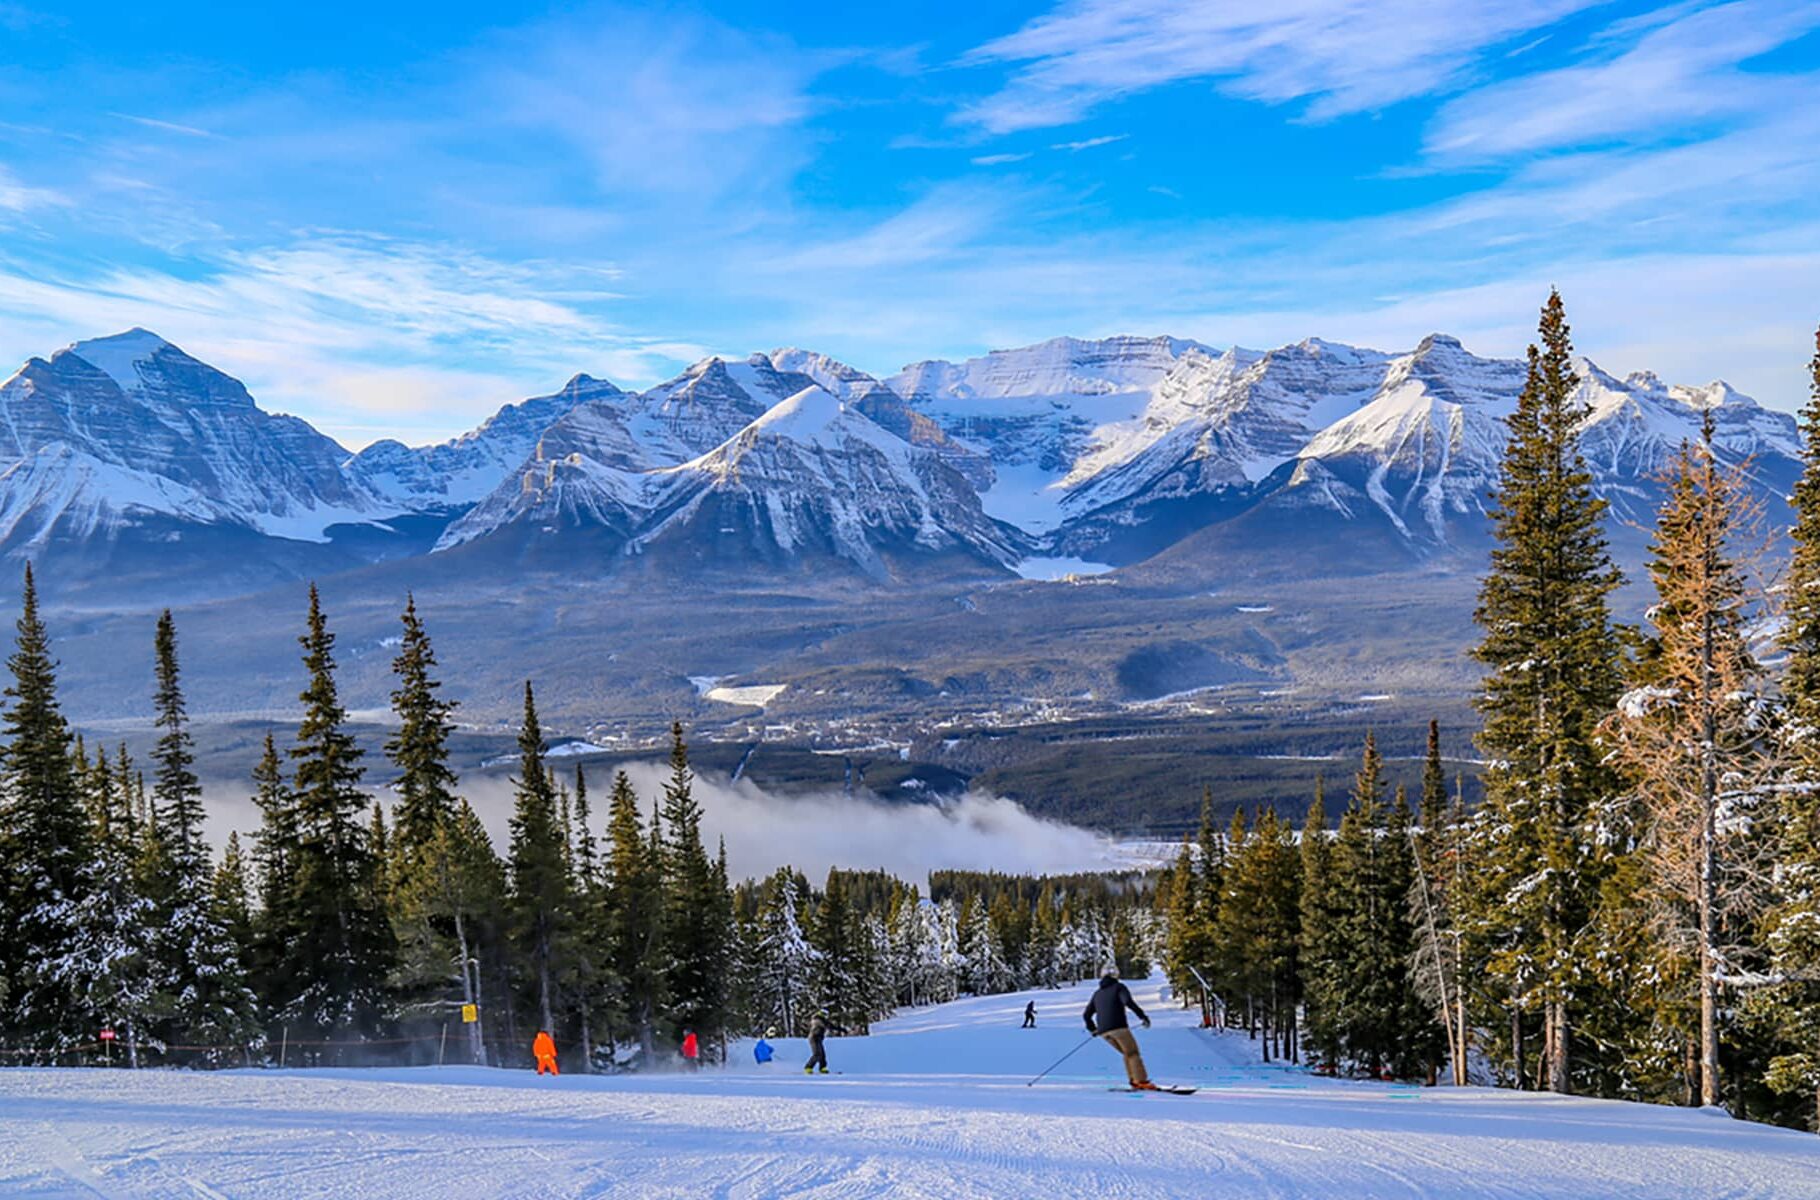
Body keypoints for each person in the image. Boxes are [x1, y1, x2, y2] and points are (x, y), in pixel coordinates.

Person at [1083, 974, 1154, 1090]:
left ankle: (1134, 1080)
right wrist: (1142, 1016)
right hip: (1118, 1028)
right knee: (1133, 1053)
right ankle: (1141, 1081)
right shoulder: (1119, 987)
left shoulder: (1097, 994)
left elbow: (1086, 1015)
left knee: (1127, 1053)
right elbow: (1127, 1001)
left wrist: (1092, 1029)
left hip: (1104, 1033)